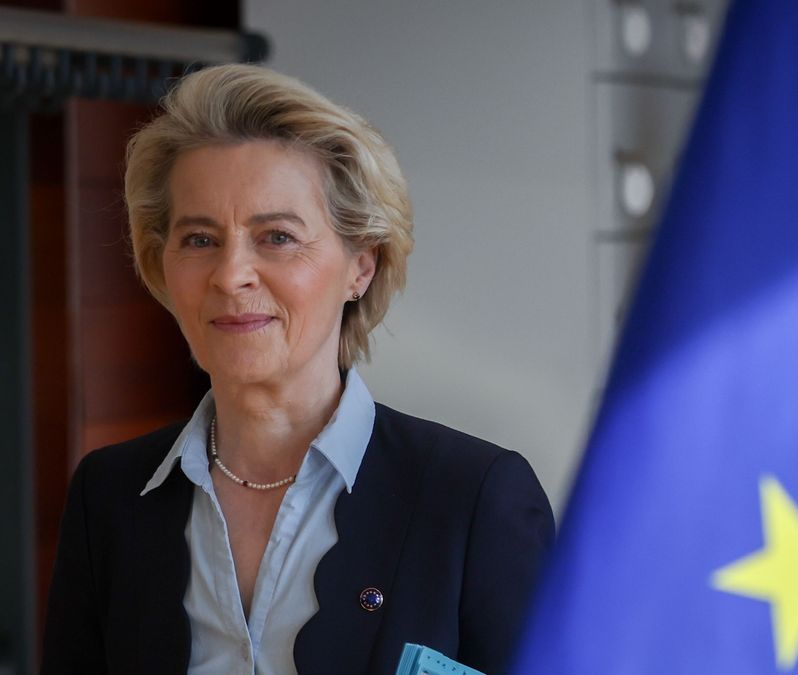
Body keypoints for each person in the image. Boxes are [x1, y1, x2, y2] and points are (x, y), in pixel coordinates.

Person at [40, 63, 555, 675]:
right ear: (162, 265)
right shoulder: (109, 496)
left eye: (277, 236)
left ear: (361, 266)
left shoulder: (474, 499)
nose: (231, 275)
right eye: (200, 239)